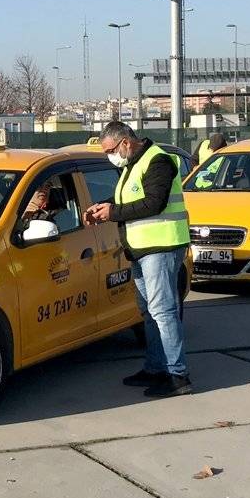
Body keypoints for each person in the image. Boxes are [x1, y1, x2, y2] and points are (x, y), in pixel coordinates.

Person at [84, 122, 191, 397]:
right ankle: (156, 367)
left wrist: (113, 212)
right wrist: (103, 206)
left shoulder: (159, 161)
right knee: (150, 311)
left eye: (110, 150)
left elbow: (154, 202)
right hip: (142, 249)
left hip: (162, 244)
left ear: (125, 143)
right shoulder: (134, 163)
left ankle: (177, 374)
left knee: (163, 311)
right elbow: (129, 196)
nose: (110, 156)